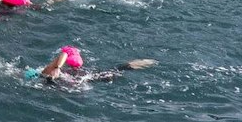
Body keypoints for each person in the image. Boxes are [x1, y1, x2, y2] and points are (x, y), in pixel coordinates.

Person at [26, 46, 157, 87]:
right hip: (85, 79)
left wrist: (57, 67)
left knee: (114, 72)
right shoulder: (52, 75)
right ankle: (134, 64)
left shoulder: (46, 73)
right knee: (114, 72)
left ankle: (136, 64)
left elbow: (64, 53)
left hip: (80, 80)